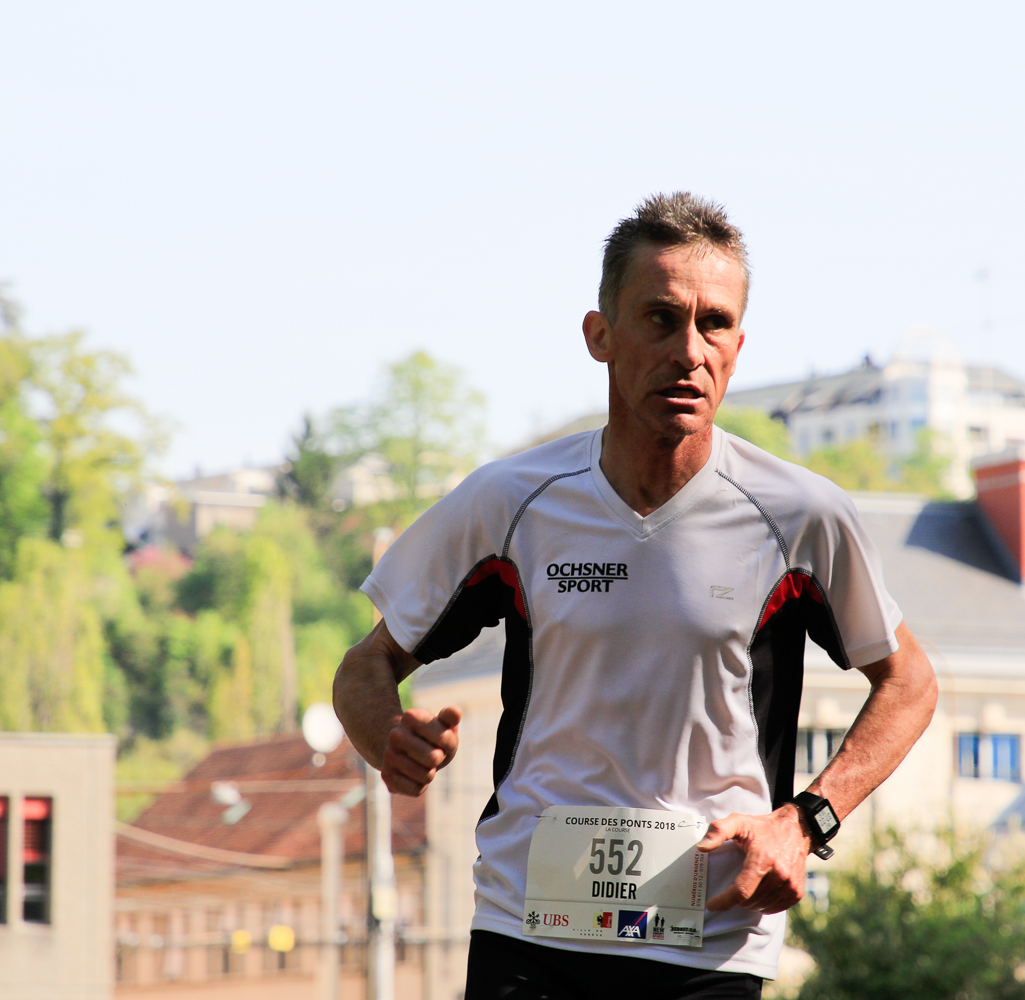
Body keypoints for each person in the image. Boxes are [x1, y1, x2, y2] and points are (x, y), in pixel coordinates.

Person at [334, 193, 938, 999]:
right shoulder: (511, 501)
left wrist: (804, 821)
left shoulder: (800, 516)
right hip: (529, 929)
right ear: (600, 335)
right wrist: (389, 739)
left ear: (738, 347)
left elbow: (910, 683)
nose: (690, 350)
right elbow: (364, 668)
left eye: (714, 324)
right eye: (660, 318)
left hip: (710, 940)